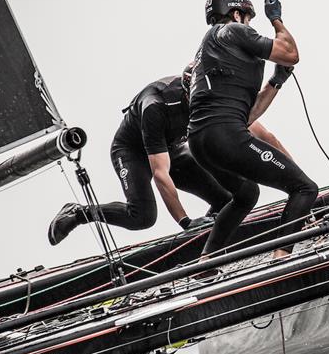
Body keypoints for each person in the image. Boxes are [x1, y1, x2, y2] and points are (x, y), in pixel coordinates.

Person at [187, 0, 317, 261]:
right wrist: (277, 20)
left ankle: (206, 262)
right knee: (304, 188)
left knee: (246, 194)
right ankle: (281, 257)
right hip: (224, 135)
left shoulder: (209, 48)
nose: (249, 24)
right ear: (236, 14)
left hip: (200, 141)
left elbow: (248, 115)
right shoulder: (233, 31)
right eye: (248, 17)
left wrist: (276, 81)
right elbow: (291, 53)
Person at [48, 67, 232, 245]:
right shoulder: (155, 105)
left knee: (230, 200)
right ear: (187, 93)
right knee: (143, 217)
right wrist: (186, 222)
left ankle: (208, 241)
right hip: (132, 152)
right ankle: (78, 213)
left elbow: (246, 127)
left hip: (171, 148)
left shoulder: (214, 94)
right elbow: (161, 173)